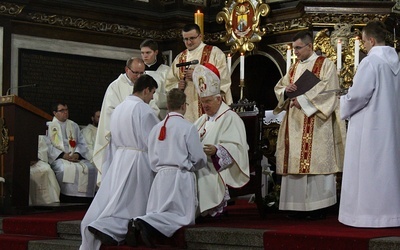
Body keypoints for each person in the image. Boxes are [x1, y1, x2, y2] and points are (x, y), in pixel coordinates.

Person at [80, 74, 159, 249]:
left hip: (121, 158)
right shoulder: (144, 110)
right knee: (132, 201)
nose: (152, 97)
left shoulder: (119, 108)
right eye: (152, 93)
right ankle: (111, 228)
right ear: (146, 90)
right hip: (139, 159)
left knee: (118, 199)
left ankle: (104, 225)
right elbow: (153, 139)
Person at [273, 30, 346, 220]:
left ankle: (318, 206)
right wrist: (285, 92)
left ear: (309, 46)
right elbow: (280, 87)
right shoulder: (294, 67)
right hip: (295, 121)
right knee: (295, 161)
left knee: (316, 162)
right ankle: (294, 206)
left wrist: (304, 101)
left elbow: (329, 92)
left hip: (316, 123)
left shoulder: (326, 65)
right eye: (293, 48)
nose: (295, 51)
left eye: (298, 48)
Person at [127, 88, 207, 248]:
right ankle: (143, 221)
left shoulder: (156, 128)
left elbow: (151, 155)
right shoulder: (188, 127)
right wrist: (192, 166)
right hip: (180, 178)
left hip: (160, 178)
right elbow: (198, 157)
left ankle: (147, 225)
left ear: (168, 106)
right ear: (184, 106)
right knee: (181, 217)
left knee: (159, 211)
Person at [338, 21, 400, 228]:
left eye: (364, 42)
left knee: (368, 169)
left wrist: (342, 102)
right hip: (391, 126)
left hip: (370, 126)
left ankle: (368, 216)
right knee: (387, 169)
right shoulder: (395, 62)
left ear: (371, 40)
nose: (363, 46)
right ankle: (390, 214)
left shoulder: (371, 62)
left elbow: (358, 96)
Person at [192, 63, 249, 217]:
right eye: (203, 102)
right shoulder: (202, 119)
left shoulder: (231, 117)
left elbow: (238, 147)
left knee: (202, 171)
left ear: (219, 99)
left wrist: (217, 150)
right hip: (202, 161)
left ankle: (208, 210)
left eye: (208, 101)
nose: (205, 105)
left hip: (217, 165)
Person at [93, 57, 159, 186]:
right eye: (136, 73)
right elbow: (109, 114)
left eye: (142, 73)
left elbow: (153, 110)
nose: (139, 76)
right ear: (127, 70)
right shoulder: (115, 86)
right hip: (120, 143)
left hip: (140, 144)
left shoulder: (146, 86)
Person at [165, 23, 233, 123]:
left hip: (209, 109)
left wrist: (197, 76)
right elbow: (168, 84)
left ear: (200, 36)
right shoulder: (179, 58)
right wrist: (177, 86)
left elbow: (223, 81)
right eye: (185, 39)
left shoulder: (214, 53)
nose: (189, 42)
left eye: (192, 38)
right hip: (187, 110)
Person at [47, 103, 98, 202]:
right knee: (63, 169)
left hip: (74, 156)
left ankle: (86, 199)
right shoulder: (49, 126)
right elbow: (47, 145)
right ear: (54, 113)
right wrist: (62, 155)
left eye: (66, 110)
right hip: (59, 157)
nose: (65, 112)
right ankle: (66, 197)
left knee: (91, 168)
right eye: (62, 110)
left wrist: (77, 154)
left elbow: (82, 143)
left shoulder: (73, 125)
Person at [140, 38, 170, 119]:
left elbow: (170, 93)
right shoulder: (138, 71)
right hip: (140, 112)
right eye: (142, 53)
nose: (145, 56)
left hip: (161, 113)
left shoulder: (166, 71)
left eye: (148, 52)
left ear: (156, 52)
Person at [29, 135, 60, 205]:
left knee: (47, 170)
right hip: (21, 163)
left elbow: (42, 151)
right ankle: (31, 203)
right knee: (30, 173)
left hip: (37, 161)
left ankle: (50, 202)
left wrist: (36, 158)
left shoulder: (36, 135)